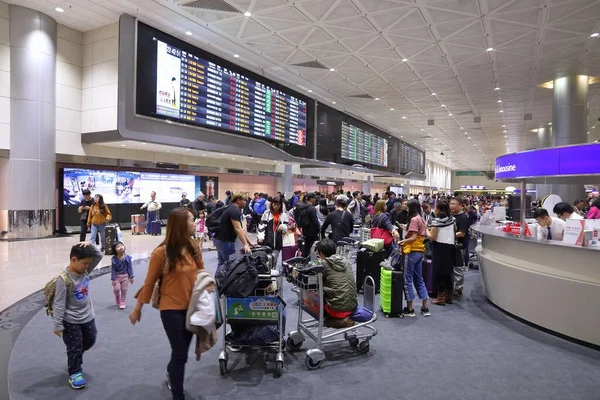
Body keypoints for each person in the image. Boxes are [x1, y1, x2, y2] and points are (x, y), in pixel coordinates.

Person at [129, 208, 205, 400]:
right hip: (170, 309)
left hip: (192, 308)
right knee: (180, 352)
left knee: (181, 352)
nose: (195, 223)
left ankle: (172, 372)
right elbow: (149, 283)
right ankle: (178, 395)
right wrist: (137, 309)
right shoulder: (161, 253)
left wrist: (208, 285)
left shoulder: (193, 247)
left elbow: (201, 271)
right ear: (181, 225)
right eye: (191, 220)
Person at [52, 242, 104, 390]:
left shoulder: (85, 271)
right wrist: (57, 324)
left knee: (90, 340)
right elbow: (59, 303)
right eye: (84, 263)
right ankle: (75, 372)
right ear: (73, 260)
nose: (87, 266)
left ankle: (75, 352)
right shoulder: (64, 279)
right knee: (75, 348)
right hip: (71, 320)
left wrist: (90, 245)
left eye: (88, 263)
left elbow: (99, 255)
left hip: (88, 316)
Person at [398, 199, 430, 317]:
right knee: (419, 279)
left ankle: (410, 309)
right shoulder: (421, 218)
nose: (405, 207)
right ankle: (425, 307)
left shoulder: (413, 219)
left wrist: (401, 241)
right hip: (420, 251)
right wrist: (406, 228)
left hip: (411, 251)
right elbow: (419, 234)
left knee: (407, 280)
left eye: (407, 206)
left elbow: (412, 238)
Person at [317, 239, 358, 328]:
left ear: (321, 253)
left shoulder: (323, 264)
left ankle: (334, 321)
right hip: (353, 305)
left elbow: (316, 280)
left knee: (317, 293)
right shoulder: (346, 261)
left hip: (337, 309)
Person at [213, 192, 252, 267]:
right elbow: (237, 229)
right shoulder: (234, 210)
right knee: (230, 266)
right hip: (226, 241)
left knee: (222, 264)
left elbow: (240, 229)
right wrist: (245, 244)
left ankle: (218, 279)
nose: (245, 202)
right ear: (238, 200)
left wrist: (249, 243)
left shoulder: (230, 208)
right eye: (244, 200)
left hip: (219, 239)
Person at [429, 201, 456, 306]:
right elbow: (455, 231)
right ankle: (449, 296)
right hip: (450, 247)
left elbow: (432, 237)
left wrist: (426, 230)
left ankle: (441, 298)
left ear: (438, 209)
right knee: (448, 273)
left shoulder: (436, 221)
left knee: (439, 273)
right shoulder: (452, 219)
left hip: (439, 248)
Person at [257, 197, 289, 266]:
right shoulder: (266, 213)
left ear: (281, 205)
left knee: (274, 261)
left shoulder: (284, 215)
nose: (276, 207)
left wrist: (284, 226)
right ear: (272, 204)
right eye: (274, 204)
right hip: (267, 241)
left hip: (278, 242)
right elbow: (261, 226)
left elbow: (287, 228)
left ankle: (272, 271)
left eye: (278, 205)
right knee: (266, 260)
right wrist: (261, 237)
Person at [450, 197, 469, 296]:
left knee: (458, 267)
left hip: (460, 246)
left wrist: (448, 235)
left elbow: (462, 233)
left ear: (460, 206)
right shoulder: (452, 216)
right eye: (451, 204)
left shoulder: (463, 217)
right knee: (452, 267)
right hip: (452, 245)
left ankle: (458, 288)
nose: (451, 206)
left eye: (454, 204)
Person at [111, 241, 134, 310]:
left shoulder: (127, 258)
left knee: (124, 290)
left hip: (125, 276)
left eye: (121, 245)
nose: (120, 247)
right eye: (117, 247)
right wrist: (113, 279)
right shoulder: (114, 259)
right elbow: (113, 269)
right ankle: (117, 296)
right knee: (116, 289)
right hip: (117, 277)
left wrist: (131, 276)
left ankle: (122, 301)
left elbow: (130, 268)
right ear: (115, 250)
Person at [300, 193, 321, 258]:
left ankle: (304, 260)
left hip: (304, 230)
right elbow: (315, 221)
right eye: (314, 198)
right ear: (311, 199)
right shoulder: (312, 209)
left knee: (306, 247)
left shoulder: (303, 206)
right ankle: (310, 261)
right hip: (312, 232)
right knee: (312, 248)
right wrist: (318, 229)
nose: (315, 200)